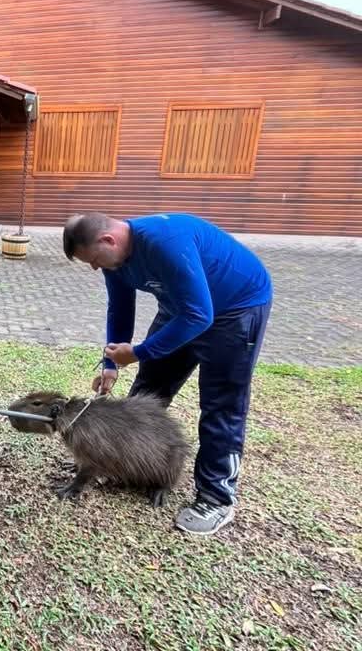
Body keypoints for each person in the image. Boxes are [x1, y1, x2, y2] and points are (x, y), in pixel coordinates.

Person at [62, 212, 272, 535]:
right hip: (182, 309)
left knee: (221, 405)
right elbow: (120, 308)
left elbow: (200, 315)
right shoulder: (114, 260)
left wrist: (139, 352)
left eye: (93, 259)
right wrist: (110, 364)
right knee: (149, 391)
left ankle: (217, 498)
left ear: (108, 240)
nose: (94, 267)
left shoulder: (165, 243)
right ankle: (121, 459)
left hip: (236, 310)